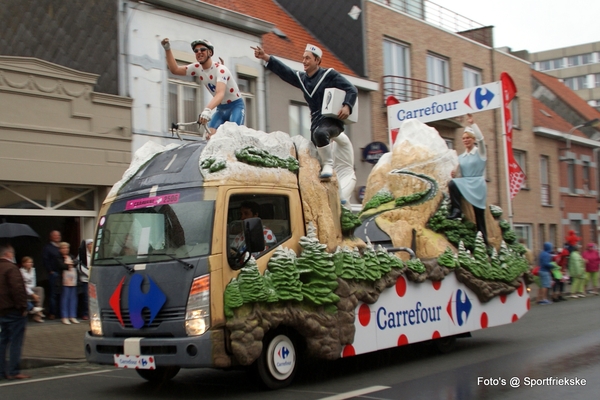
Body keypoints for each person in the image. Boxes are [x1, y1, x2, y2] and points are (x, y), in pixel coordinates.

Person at [252, 44, 358, 187]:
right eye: (303, 58)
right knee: (314, 151)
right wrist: (265, 57)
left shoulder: (329, 75)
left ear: (317, 60)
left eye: (307, 58)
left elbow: (351, 89)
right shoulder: (302, 79)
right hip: (316, 122)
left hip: (332, 120)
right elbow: (286, 72)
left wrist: (347, 106)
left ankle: (329, 164)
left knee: (321, 134)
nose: (304, 61)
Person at [161, 38, 245, 139]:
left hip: (235, 106)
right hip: (221, 109)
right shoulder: (197, 68)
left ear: (210, 52)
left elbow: (220, 94)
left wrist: (207, 110)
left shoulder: (221, 70)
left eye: (202, 50)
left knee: (233, 136)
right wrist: (167, 49)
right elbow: (175, 70)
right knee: (208, 138)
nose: (199, 52)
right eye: (196, 51)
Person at [447, 114, 488, 244]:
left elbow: (481, 140)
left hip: (477, 184)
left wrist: (472, 124)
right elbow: (459, 172)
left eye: (468, 138)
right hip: (466, 182)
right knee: (452, 183)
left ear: (472, 139)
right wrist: (454, 173)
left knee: (479, 215)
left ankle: (484, 241)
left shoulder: (479, 152)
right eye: (464, 138)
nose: (465, 140)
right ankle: (457, 210)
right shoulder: (462, 156)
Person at [0, 244, 31, 380]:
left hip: (1, 310)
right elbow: (17, 289)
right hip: (13, 310)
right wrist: (23, 307)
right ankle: (13, 370)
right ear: (9, 254)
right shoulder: (11, 268)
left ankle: (1, 371)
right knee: (15, 341)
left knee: (2, 341)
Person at [42, 230, 62, 320]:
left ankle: (60, 313)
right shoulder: (48, 248)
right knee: (53, 294)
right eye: (55, 235)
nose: (57, 237)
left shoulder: (62, 247)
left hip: (63, 274)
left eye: (58, 235)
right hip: (54, 274)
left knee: (62, 294)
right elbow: (45, 260)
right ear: (51, 237)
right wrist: (50, 271)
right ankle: (52, 313)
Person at [58, 242, 79, 325]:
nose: (65, 249)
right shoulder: (58, 257)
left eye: (67, 248)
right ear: (60, 249)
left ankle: (72, 316)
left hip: (73, 281)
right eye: (63, 248)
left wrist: (70, 264)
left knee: (73, 299)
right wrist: (70, 265)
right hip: (64, 281)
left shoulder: (72, 256)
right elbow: (61, 266)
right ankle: (64, 317)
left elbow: (76, 263)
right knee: (65, 299)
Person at [19, 256, 45, 323]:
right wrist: (33, 294)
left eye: (31, 262)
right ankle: (38, 312)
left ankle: (38, 313)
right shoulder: (21, 271)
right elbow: (23, 285)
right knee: (35, 294)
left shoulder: (33, 270)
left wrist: (34, 293)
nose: (30, 263)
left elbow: (34, 282)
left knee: (40, 289)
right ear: (23, 263)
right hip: (23, 290)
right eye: (28, 262)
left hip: (31, 288)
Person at [77, 239, 93, 320]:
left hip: (93, 279)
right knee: (86, 298)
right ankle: (85, 313)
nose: (91, 246)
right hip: (85, 280)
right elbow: (80, 267)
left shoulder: (95, 255)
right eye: (90, 244)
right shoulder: (82, 255)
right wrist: (89, 274)